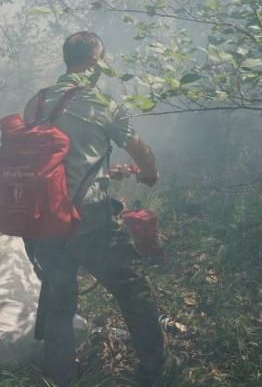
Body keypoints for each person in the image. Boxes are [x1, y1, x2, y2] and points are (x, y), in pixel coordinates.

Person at [22, 31, 176, 386]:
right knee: (132, 288)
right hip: (87, 217)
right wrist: (149, 174)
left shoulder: (37, 101)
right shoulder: (99, 102)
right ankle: (158, 369)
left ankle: (61, 380)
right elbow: (141, 151)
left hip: (43, 219)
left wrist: (106, 170)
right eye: (102, 60)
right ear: (93, 63)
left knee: (60, 305)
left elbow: (55, 160)